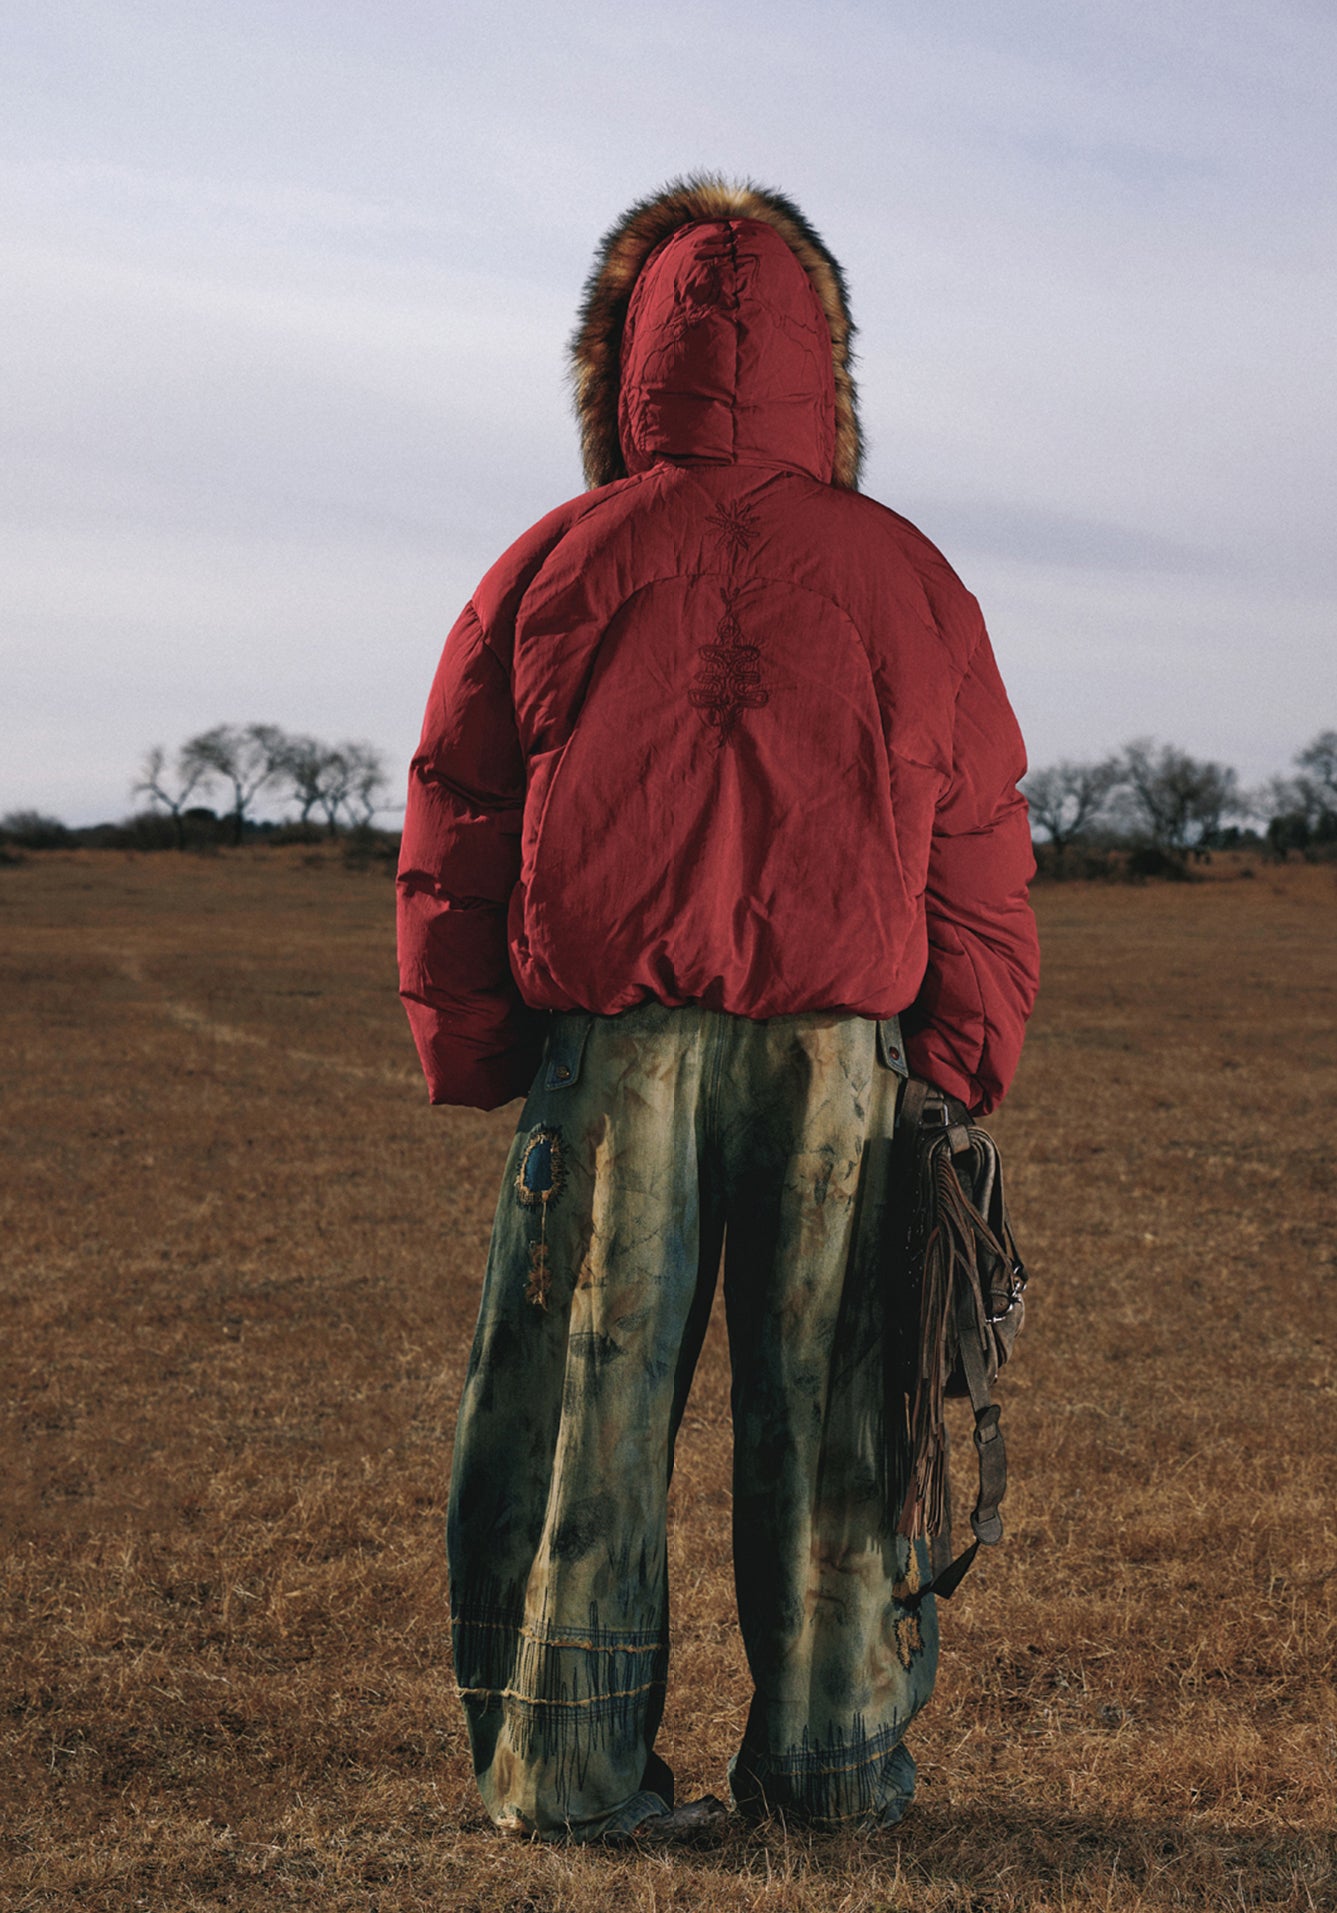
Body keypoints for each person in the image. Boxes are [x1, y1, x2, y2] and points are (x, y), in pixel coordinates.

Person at [396, 175, 1040, 1843]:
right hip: (840, 1067)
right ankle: (832, 1762)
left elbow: (459, 810)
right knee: (835, 1414)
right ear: (826, 365)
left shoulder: (553, 559)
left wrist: (477, 1042)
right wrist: (958, 1055)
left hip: (609, 1057)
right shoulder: (908, 577)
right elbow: (977, 835)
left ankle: (566, 1767)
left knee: (577, 1416)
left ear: (628, 361)